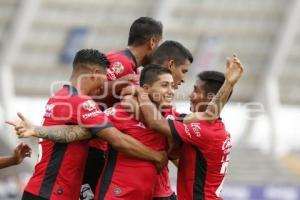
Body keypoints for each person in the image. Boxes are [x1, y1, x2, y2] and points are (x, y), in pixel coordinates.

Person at [6, 49, 167, 200]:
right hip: (53, 193)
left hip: (41, 190)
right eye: (104, 78)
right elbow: (118, 140)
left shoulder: (59, 96)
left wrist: (36, 130)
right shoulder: (81, 102)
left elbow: (71, 132)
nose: (104, 85)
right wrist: (156, 156)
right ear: (95, 73)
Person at [131, 55, 244, 199]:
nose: (191, 95)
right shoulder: (212, 126)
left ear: (210, 97)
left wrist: (141, 93)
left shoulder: (204, 131)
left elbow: (156, 123)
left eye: (196, 90)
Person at [83, 17, 163, 197]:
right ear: (152, 42)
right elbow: (88, 91)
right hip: (88, 146)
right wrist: (120, 83)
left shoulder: (133, 68)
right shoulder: (121, 61)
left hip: (100, 145)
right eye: (159, 44)